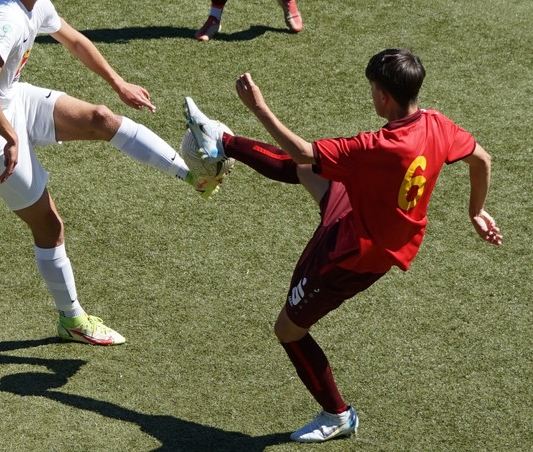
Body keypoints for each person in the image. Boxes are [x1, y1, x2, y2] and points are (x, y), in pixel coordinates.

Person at [185, 49, 501, 442]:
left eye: (372, 88)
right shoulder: (438, 124)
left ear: (383, 96)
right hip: (364, 216)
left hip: (354, 254)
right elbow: (482, 159)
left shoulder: (378, 146)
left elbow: (303, 149)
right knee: (306, 171)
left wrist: (259, 108)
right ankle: (221, 140)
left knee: (288, 330)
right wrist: (476, 211)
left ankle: (337, 415)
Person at [0, 0, 219, 346]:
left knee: (101, 118)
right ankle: (72, 320)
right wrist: (11, 137)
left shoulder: (34, 2)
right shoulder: (7, 19)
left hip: (12, 99)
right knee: (49, 224)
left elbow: (73, 41)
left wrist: (118, 83)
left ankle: (193, 178)